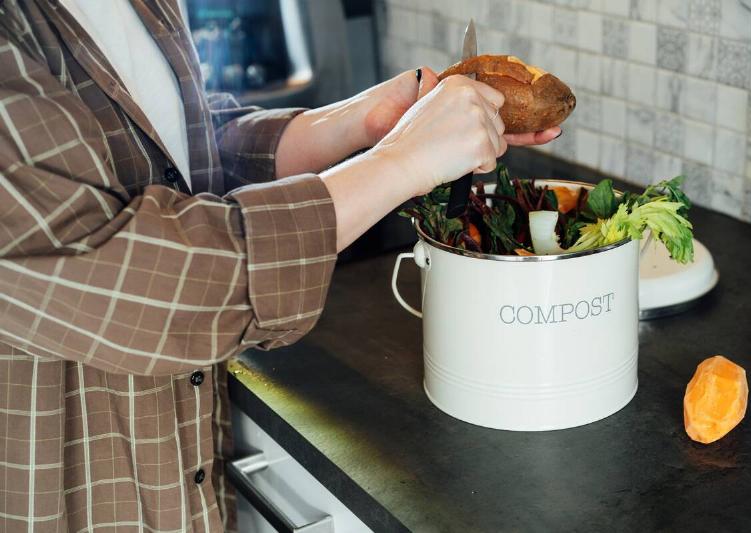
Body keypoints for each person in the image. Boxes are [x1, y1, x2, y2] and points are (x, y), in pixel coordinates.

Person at [0, 1, 560, 531]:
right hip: (76, 483)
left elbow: (179, 153)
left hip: (183, 455)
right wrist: (401, 161)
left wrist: (361, 122)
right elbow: (138, 278)